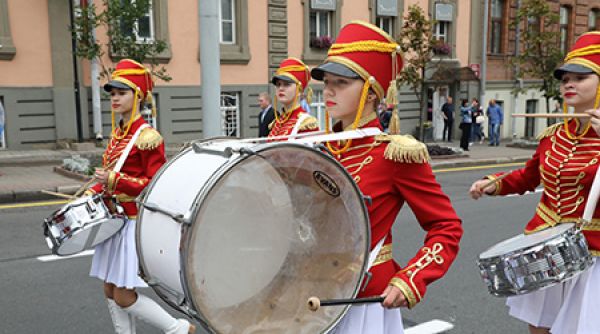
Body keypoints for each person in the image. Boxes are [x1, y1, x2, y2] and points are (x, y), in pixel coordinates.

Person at [311, 20, 463, 333]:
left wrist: (411, 278)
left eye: (340, 82)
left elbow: (446, 226)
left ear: (370, 90)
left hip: (361, 303)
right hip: (311, 293)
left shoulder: (395, 154)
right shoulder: (315, 151)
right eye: (327, 81)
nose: (328, 90)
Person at [469, 31, 600, 334]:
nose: (569, 83)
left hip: (592, 256)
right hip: (548, 250)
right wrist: (493, 183)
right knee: (540, 328)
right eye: (565, 77)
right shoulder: (554, 136)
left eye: (580, 77)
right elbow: (528, 177)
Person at [85, 59, 194, 334]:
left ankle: (178, 329)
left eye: (121, 93)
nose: (115, 98)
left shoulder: (148, 137)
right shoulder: (117, 135)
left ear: (138, 96)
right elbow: (108, 179)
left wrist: (114, 179)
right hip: (114, 221)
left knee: (123, 294)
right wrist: (92, 191)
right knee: (109, 290)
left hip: (132, 223)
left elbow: (153, 184)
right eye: (112, 93)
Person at [268, 57, 319, 137]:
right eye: (278, 84)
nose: (281, 88)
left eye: (286, 84)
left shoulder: (305, 123)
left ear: (299, 90)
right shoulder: (277, 122)